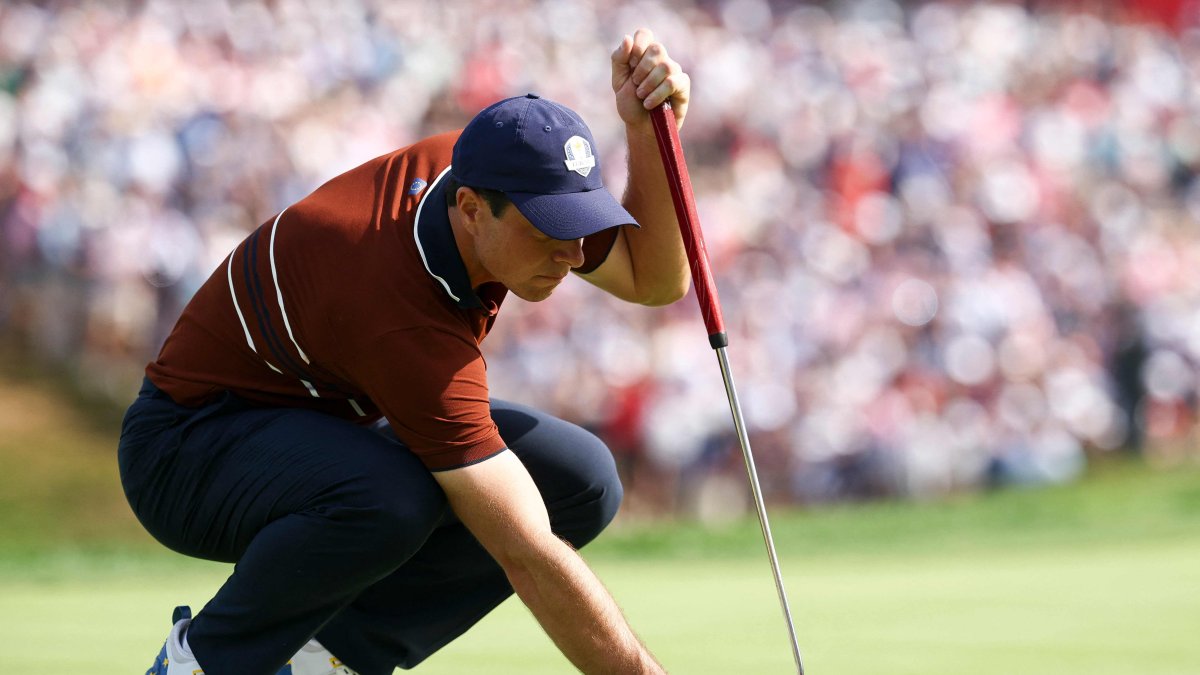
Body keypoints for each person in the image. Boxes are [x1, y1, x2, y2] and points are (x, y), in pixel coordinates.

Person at [119, 28, 691, 675]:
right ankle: (201, 663)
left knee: (580, 479)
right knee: (389, 497)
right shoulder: (395, 306)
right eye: (551, 233)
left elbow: (656, 279)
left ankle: (320, 660)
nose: (573, 255)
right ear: (473, 210)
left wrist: (649, 132)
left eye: (578, 226)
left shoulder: (489, 168)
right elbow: (525, 551)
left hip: (320, 422)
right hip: (185, 451)